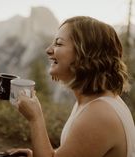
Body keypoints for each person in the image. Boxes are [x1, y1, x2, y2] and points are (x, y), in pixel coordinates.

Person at [9, 16, 135, 157]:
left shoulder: (99, 114)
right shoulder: (93, 102)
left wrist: (35, 118)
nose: (48, 50)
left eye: (58, 44)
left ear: (85, 53)